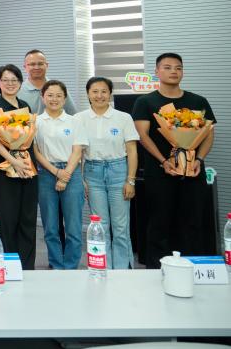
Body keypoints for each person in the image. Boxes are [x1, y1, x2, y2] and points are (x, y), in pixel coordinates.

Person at [132, 53, 216, 268]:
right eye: (167, 67)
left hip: (193, 171)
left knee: (192, 221)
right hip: (159, 171)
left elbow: (208, 135)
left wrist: (199, 159)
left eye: (178, 68)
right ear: (157, 71)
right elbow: (143, 136)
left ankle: (192, 267)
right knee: (159, 221)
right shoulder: (145, 101)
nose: (174, 71)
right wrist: (163, 161)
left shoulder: (198, 101)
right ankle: (157, 268)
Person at [76, 76, 139, 269]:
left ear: (110, 94)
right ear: (88, 94)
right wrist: (81, 179)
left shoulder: (123, 117)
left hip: (118, 171)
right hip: (92, 172)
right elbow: (77, 152)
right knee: (100, 225)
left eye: (104, 91)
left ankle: (121, 269)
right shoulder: (79, 119)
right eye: (95, 91)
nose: (99, 95)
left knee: (120, 226)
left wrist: (131, 180)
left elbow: (132, 151)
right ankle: (102, 267)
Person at [0, 64, 38, 270]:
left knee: (28, 216)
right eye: (5, 80)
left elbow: (29, 137)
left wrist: (23, 162)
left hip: (27, 164)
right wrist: (13, 161)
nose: (10, 84)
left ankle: (27, 265)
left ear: (20, 82)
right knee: (7, 216)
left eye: (14, 80)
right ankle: (9, 263)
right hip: (4, 166)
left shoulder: (25, 106)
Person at [34, 80, 85, 270]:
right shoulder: (36, 122)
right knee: (51, 227)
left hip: (72, 173)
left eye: (58, 96)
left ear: (64, 99)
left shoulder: (75, 121)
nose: (54, 99)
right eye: (50, 95)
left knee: (73, 226)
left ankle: (71, 266)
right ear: (43, 97)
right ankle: (56, 265)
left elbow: (78, 150)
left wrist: (65, 175)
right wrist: (56, 172)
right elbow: (36, 152)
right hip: (46, 173)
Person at [20, 49, 78, 115]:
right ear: (25, 67)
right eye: (32, 64)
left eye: (40, 64)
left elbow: (73, 115)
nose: (36, 67)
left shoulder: (59, 88)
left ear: (47, 65)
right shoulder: (18, 91)